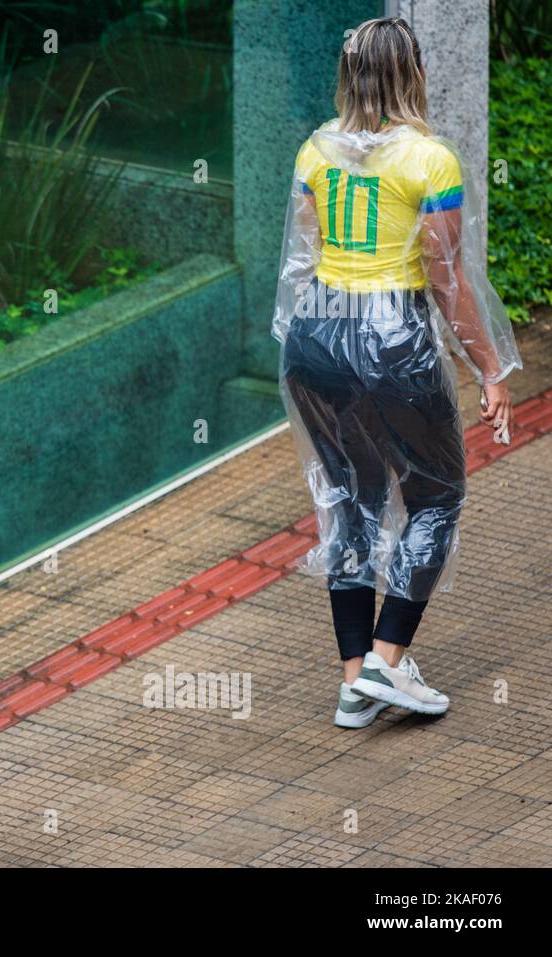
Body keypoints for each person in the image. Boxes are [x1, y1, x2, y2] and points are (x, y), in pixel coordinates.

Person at [272, 18, 521, 729]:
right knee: (437, 494)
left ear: (349, 76)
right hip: (391, 340)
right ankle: (387, 657)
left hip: (315, 339)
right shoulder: (429, 160)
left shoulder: (314, 150)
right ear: (412, 73)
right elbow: (446, 281)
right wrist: (490, 367)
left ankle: (356, 683)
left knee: (350, 497)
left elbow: (302, 259)